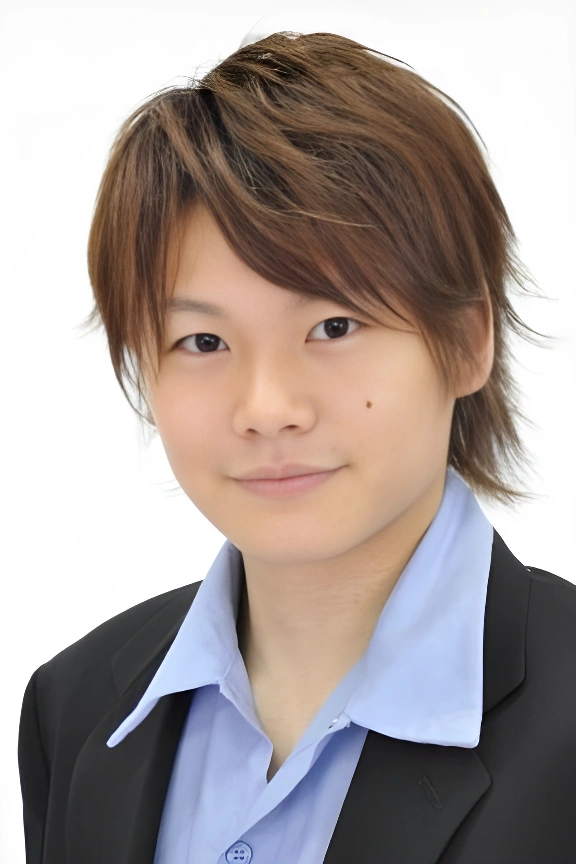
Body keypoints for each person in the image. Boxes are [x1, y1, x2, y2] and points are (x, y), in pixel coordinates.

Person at [18, 30, 576, 864]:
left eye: (334, 325)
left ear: (465, 341)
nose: (267, 408)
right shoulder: (75, 709)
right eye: (203, 342)